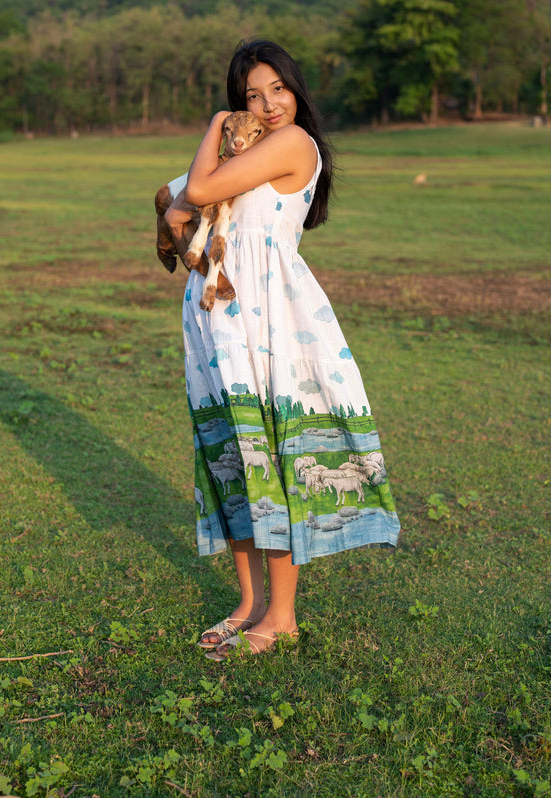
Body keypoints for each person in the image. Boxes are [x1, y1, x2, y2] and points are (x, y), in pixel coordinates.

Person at [165, 39, 400, 660]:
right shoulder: (243, 152)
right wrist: (176, 212)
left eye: (277, 89)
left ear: (296, 90)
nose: (268, 105)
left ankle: (283, 615)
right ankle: (246, 604)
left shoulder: (295, 145)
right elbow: (175, 204)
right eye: (250, 97)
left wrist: (216, 125)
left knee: (270, 454)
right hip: (217, 315)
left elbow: (194, 187)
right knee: (234, 457)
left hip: (271, 319)